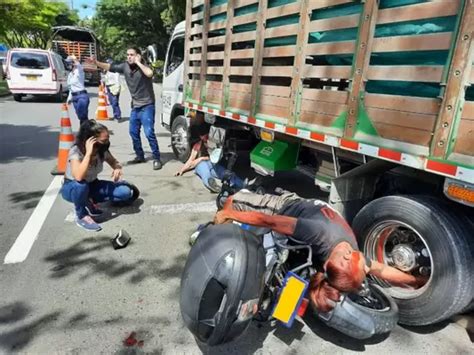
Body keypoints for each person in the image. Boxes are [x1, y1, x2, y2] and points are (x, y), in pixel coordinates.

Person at [213, 190, 424, 312]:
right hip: (287, 208)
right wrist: (228, 213)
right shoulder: (318, 233)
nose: (366, 263)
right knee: (235, 200)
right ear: (346, 257)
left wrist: (414, 281)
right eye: (363, 264)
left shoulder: (352, 257)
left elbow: (382, 271)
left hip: (306, 225)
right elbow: (269, 220)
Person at [90, 47, 163, 170]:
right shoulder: (125, 67)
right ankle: (140, 156)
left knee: (149, 132)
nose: (129, 57)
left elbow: (150, 73)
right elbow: (110, 67)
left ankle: (157, 158)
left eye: (132, 55)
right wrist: (96, 63)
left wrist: (139, 62)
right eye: (128, 55)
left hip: (147, 106)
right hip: (135, 106)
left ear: (138, 55)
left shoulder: (144, 66)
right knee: (133, 132)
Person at [61, 120, 139, 232]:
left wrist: (117, 168)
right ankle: (81, 215)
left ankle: (89, 200)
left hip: (93, 184)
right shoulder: (76, 151)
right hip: (72, 188)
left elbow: (114, 162)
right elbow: (78, 176)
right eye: (104, 140)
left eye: (108, 139)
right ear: (90, 140)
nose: (107, 142)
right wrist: (88, 154)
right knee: (81, 185)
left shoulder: (101, 150)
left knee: (125, 192)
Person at [174, 124, 244, 193]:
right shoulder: (198, 145)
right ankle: (212, 185)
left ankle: (241, 184)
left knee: (224, 172)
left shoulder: (213, 143)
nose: (205, 138)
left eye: (206, 135)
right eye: (203, 136)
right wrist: (182, 170)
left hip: (213, 164)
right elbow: (190, 161)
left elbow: (216, 156)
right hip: (201, 164)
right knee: (205, 173)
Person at [66, 55, 89, 123]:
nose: (68, 65)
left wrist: (74, 58)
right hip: (74, 97)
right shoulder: (70, 74)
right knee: (80, 116)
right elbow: (71, 88)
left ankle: (87, 130)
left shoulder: (79, 71)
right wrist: (69, 98)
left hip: (82, 96)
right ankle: (87, 130)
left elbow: (79, 65)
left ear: (73, 64)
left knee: (82, 116)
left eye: (69, 63)